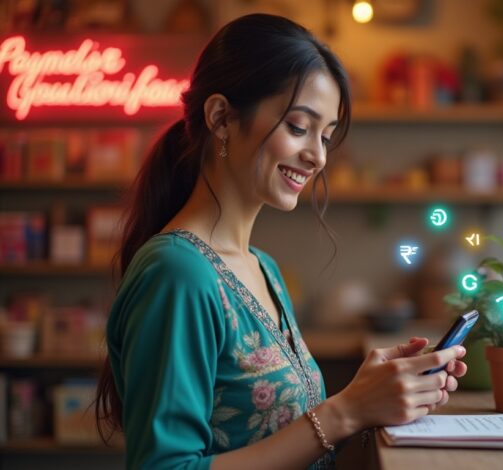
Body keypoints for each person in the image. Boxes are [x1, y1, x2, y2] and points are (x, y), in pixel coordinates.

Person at [95, 14, 467, 470]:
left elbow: (291, 442)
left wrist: (369, 398)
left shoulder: (262, 268)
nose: (318, 155)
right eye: (298, 126)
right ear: (221, 118)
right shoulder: (178, 274)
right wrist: (344, 411)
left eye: (326, 135)